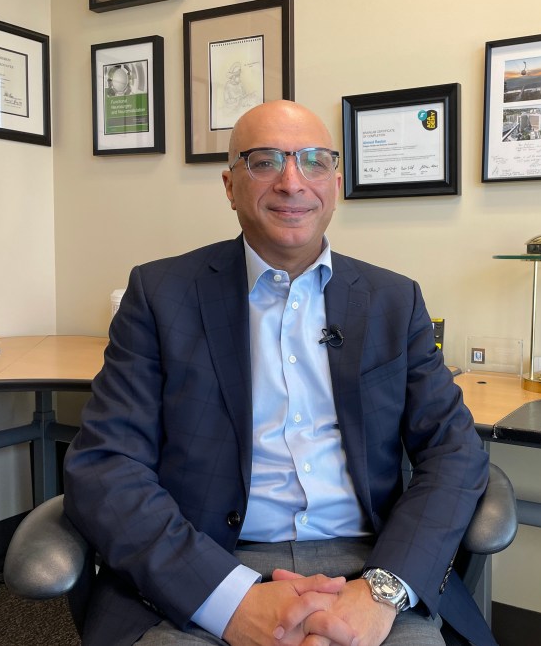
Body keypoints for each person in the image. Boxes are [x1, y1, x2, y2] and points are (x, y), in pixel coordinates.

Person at [63, 100, 494, 646]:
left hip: (367, 566)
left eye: (315, 161)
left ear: (336, 181)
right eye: (264, 161)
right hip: (207, 564)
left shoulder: (392, 300)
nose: (293, 182)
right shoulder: (160, 295)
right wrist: (230, 600)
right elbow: (106, 466)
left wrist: (382, 590)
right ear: (229, 185)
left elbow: (454, 452)